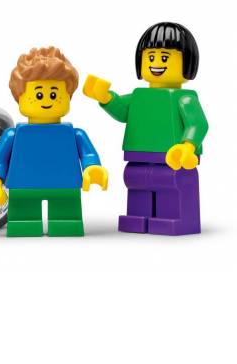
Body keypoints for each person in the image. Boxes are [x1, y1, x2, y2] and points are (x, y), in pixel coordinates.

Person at [83, 22, 209, 235]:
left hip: (174, 159)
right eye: (150, 57)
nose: (156, 63)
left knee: (172, 185)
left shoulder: (184, 98)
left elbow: (198, 124)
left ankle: (173, 218)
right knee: (137, 184)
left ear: (187, 63)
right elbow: (123, 111)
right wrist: (105, 97)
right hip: (138, 157)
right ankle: (137, 217)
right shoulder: (139, 96)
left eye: (164, 58)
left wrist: (188, 146)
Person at [0, 47, 108, 237]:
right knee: (23, 220)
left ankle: (65, 224)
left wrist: (92, 167)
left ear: (68, 96)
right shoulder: (13, 135)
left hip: (65, 186)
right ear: (20, 97)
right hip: (23, 186)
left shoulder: (74, 134)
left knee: (66, 220)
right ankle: (24, 224)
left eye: (54, 94)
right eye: (38, 94)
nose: (46, 100)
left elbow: (88, 153)